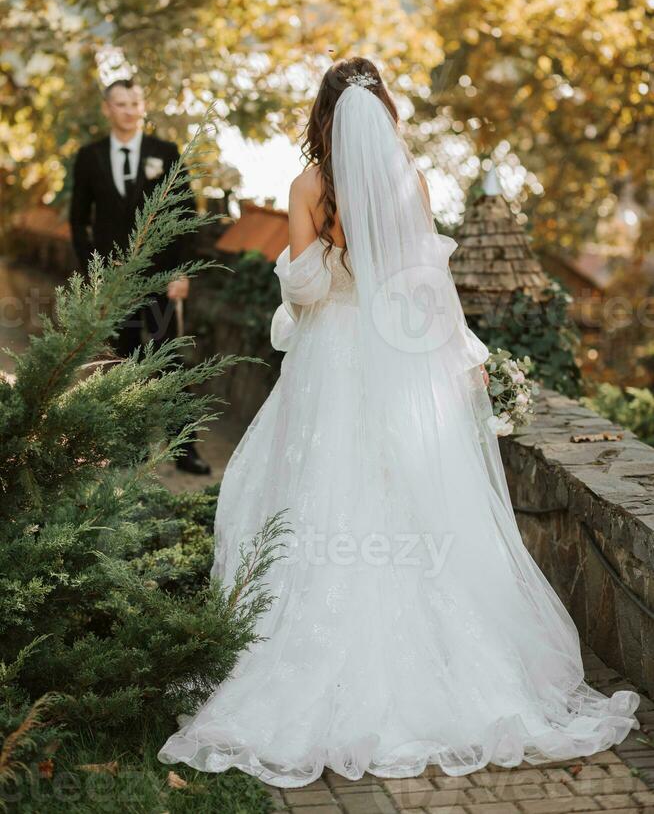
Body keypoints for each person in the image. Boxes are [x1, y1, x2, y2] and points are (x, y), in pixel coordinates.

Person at [157, 57, 639, 785]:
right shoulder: (406, 183)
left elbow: (309, 292)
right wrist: (464, 358)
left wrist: (326, 250)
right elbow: (429, 293)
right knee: (404, 493)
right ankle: (440, 666)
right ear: (382, 115)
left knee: (314, 494)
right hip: (396, 359)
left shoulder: (308, 188)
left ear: (322, 114)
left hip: (330, 363)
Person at [69, 78, 211, 476]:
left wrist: (181, 271)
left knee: (170, 360)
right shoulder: (89, 157)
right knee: (122, 360)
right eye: (121, 103)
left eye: (135, 102)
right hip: (115, 282)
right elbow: (79, 223)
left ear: (142, 106)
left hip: (162, 279)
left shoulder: (164, 152)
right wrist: (93, 273)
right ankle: (128, 447)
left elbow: (185, 214)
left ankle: (185, 448)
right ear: (107, 109)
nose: (129, 109)